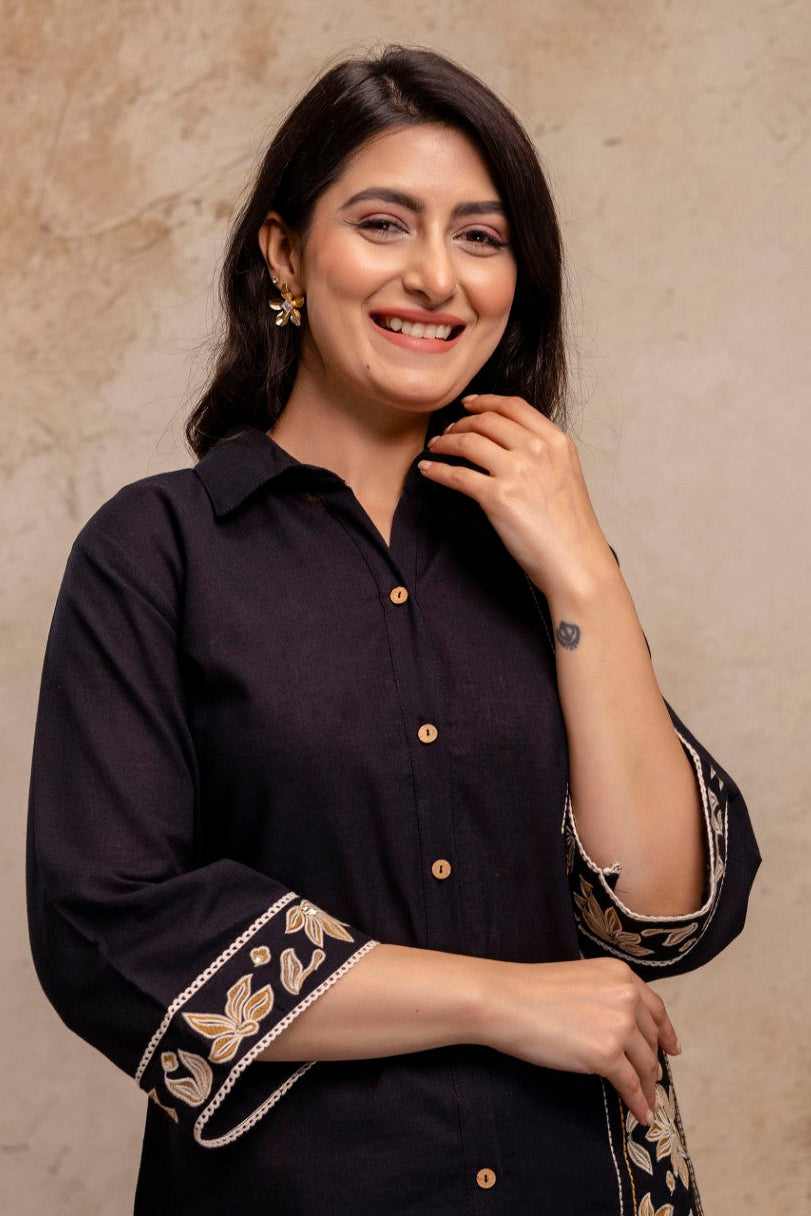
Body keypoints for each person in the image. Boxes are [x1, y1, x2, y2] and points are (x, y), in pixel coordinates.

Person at [26, 44, 760, 1216]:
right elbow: (107, 923)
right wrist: (498, 998)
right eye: (383, 224)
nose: (435, 277)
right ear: (284, 252)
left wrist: (583, 574)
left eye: (480, 236)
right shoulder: (157, 550)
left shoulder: (545, 551)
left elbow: (661, 916)